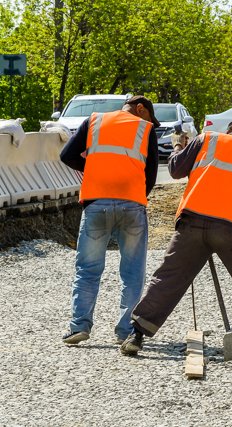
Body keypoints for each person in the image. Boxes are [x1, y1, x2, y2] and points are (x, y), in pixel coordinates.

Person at [120, 117, 232, 356]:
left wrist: (178, 146)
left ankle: (137, 333)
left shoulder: (207, 140)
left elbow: (174, 169)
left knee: (168, 278)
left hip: (192, 222)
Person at [60, 95, 160, 345]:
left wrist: (95, 167)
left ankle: (79, 327)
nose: (151, 122)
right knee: (132, 271)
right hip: (132, 205)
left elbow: (67, 155)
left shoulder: (94, 121)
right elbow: (151, 174)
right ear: (140, 109)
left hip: (96, 204)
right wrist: (136, 196)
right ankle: (126, 331)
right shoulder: (145, 130)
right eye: (150, 116)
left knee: (88, 269)